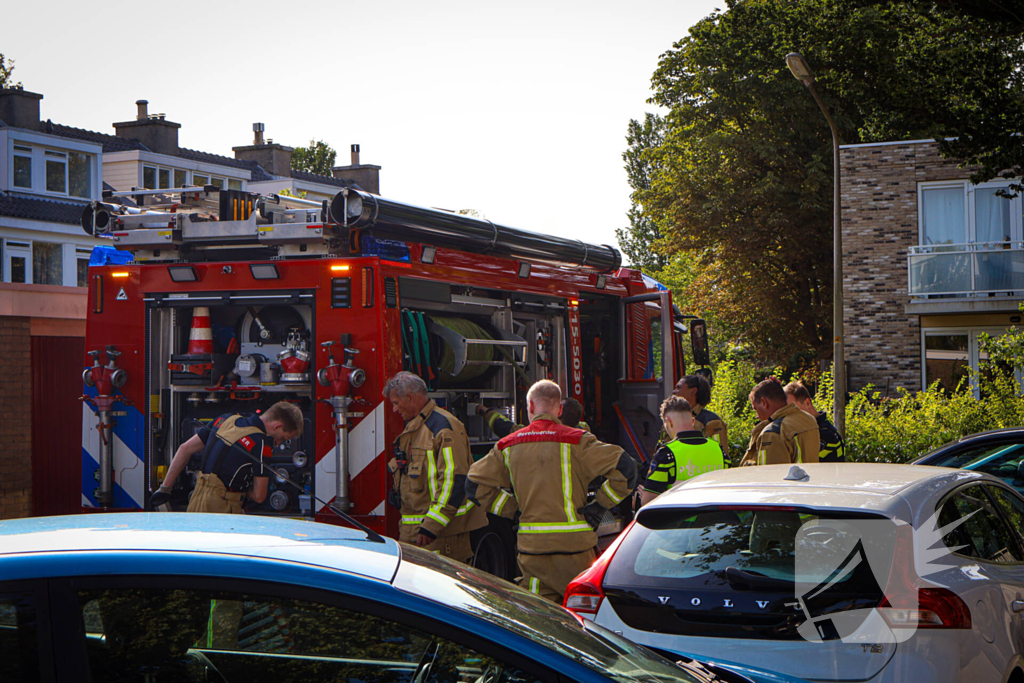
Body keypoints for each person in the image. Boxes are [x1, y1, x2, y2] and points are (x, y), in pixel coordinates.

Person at [466, 380, 637, 603]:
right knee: (581, 621)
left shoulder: (508, 445)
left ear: (530, 406)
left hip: (533, 554)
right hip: (575, 552)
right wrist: (599, 505)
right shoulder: (578, 440)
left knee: (539, 623)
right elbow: (627, 469)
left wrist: (512, 510)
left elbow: (473, 485)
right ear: (559, 409)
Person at [384, 371, 486, 562]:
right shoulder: (416, 427)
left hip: (440, 536)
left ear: (410, 398)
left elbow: (454, 480)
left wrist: (432, 525)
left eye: (396, 403)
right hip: (416, 533)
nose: (395, 409)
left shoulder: (443, 427)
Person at [150, 401, 303, 513]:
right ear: (277, 426)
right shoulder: (262, 443)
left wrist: (165, 489)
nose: (278, 443)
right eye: (282, 438)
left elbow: (185, 449)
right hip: (222, 507)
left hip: (196, 499)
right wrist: (242, 491)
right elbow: (259, 496)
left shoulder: (224, 420)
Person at [639, 397, 725, 506]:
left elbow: (648, 502)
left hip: (682, 521)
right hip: (717, 520)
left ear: (668, 422)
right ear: (693, 421)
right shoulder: (718, 449)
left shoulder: (667, 453)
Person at [740, 378, 820, 466]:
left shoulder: (773, 432)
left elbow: (769, 475)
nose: (757, 416)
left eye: (756, 409)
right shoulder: (809, 419)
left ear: (764, 402)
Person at [784, 380, 846, 462]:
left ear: (807, 403)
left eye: (793, 408)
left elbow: (805, 464)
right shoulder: (816, 428)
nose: (789, 414)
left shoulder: (825, 434)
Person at [478, 397, 590, 439]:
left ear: (559, 413)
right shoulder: (584, 434)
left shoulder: (543, 433)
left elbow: (506, 429)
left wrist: (486, 412)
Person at [673, 375, 729, 456]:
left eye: (678, 388)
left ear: (693, 391)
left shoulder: (711, 422)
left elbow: (720, 455)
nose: (674, 391)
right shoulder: (672, 418)